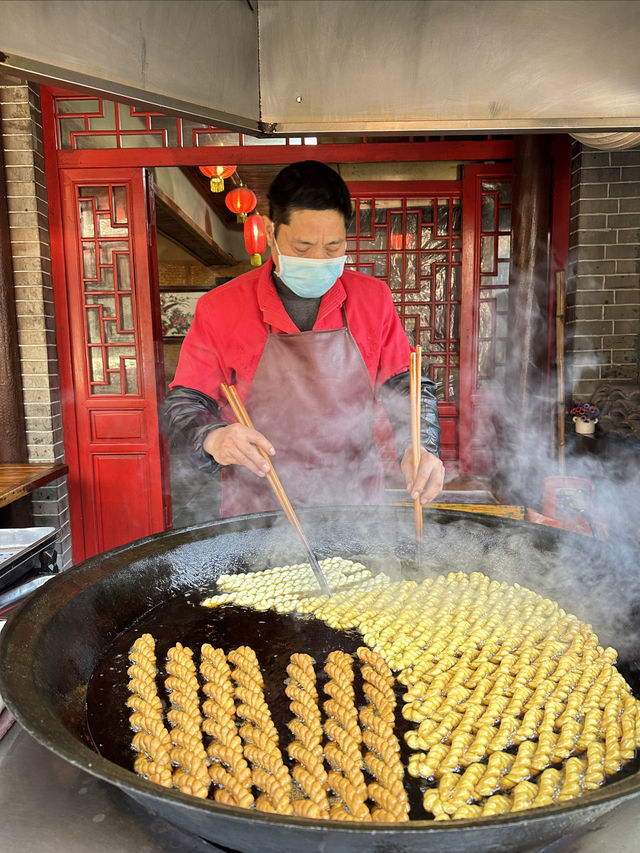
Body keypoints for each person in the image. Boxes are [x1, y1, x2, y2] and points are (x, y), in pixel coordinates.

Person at [160, 160, 444, 517]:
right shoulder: (220, 307)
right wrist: (214, 436)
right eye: (303, 246)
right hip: (257, 504)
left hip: (353, 501)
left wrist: (421, 447)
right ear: (269, 230)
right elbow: (185, 402)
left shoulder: (373, 299)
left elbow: (407, 385)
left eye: (333, 247)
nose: (318, 259)